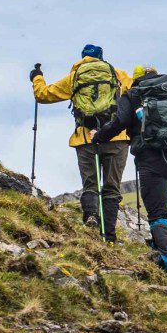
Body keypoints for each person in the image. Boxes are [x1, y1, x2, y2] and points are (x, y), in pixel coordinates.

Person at [84, 68, 167, 270]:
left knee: (157, 212)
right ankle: (160, 246)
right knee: (161, 201)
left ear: (135, 79)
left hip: (152, 160)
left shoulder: (133, 95)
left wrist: (98, 136)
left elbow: (119, 122)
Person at [31, 46, 135, 240]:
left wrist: (37, 77)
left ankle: (91, 218)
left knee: (90, 185)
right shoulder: (117, 74)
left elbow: (42, 95)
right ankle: (109, 236)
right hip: (117, 138)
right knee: (111, 187)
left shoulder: (75, 77)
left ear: (83, 58)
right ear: (102, 58)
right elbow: (137, 92)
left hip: (85, 138)